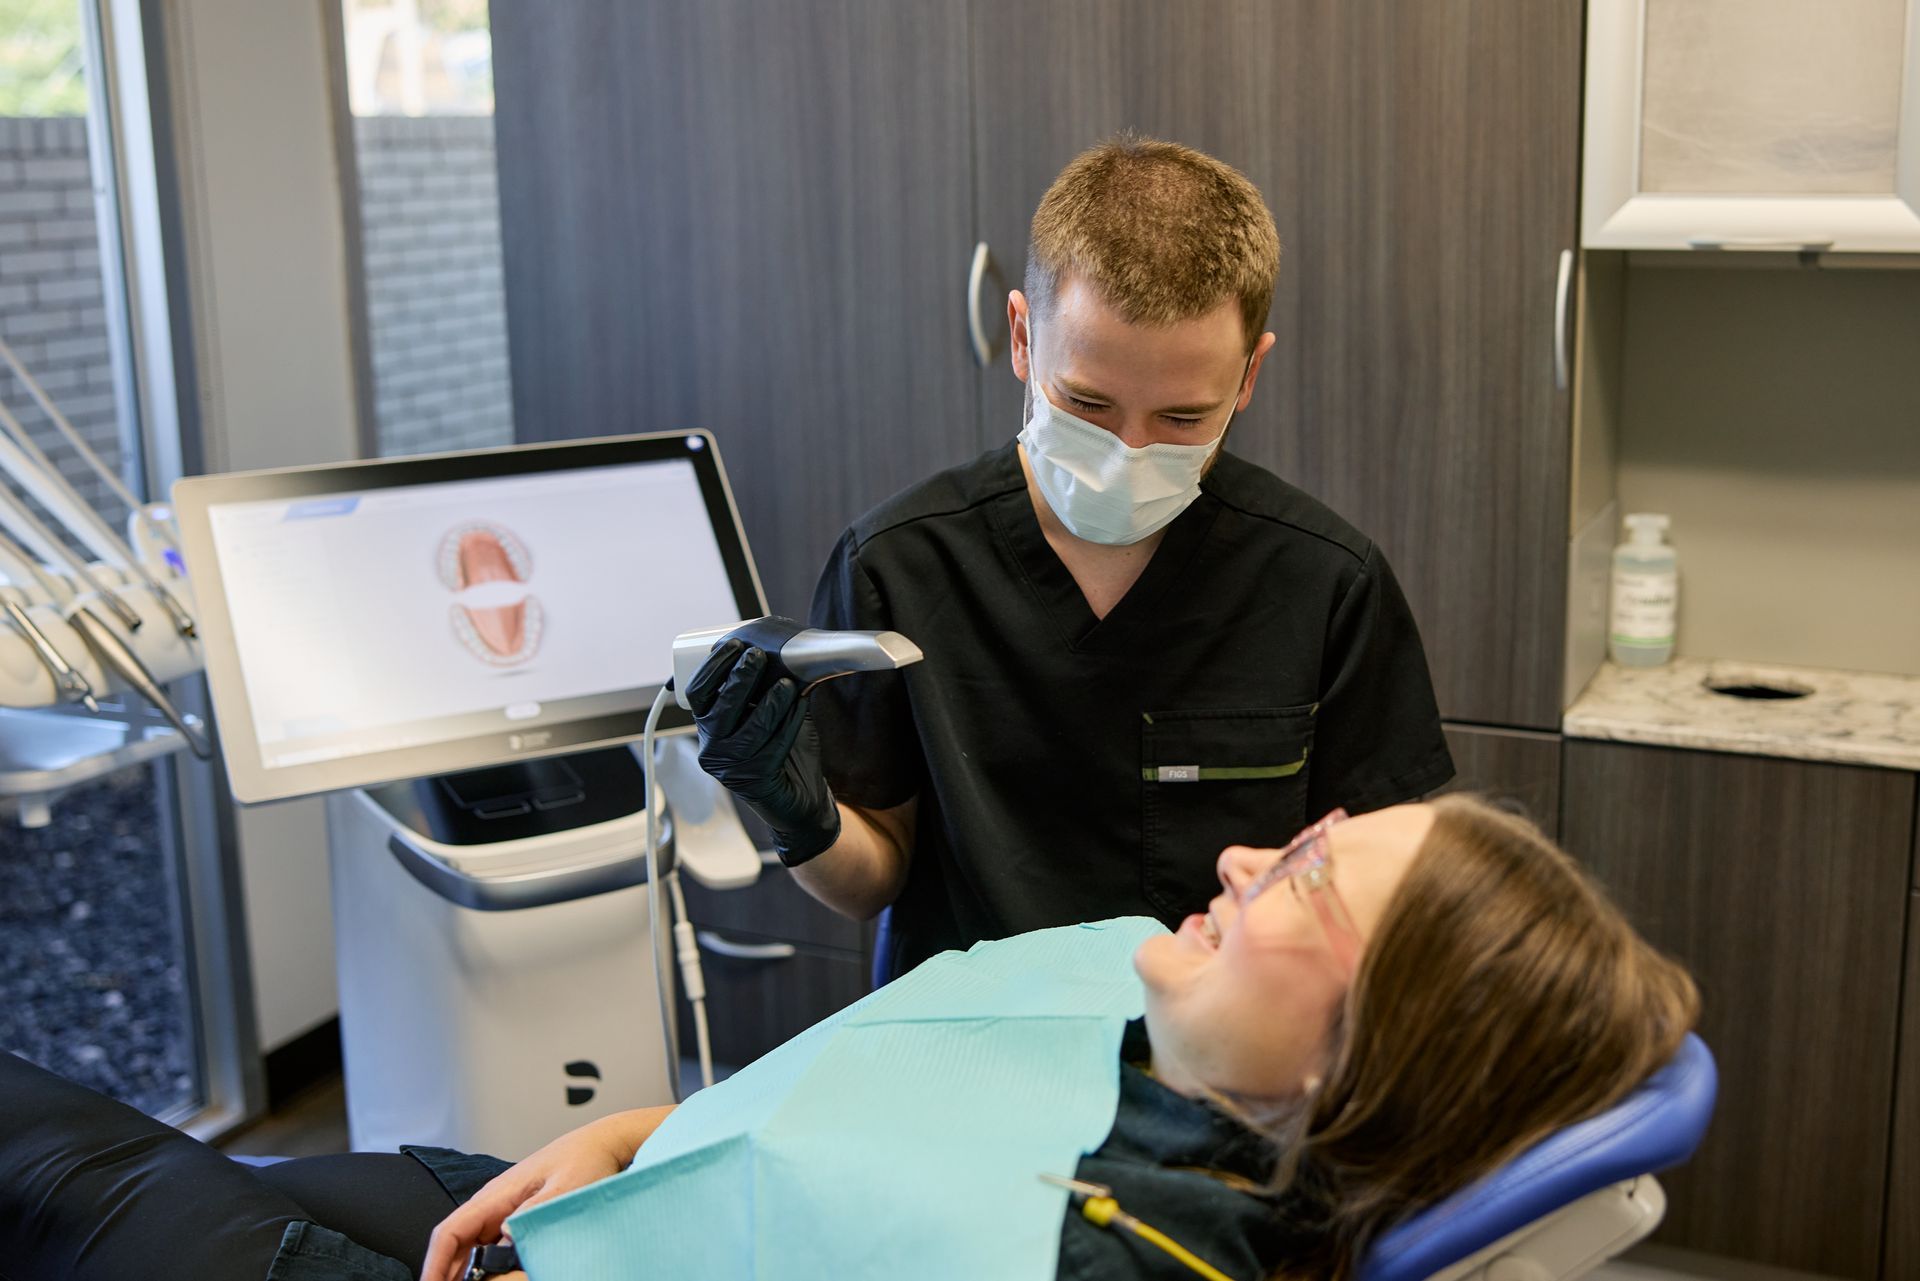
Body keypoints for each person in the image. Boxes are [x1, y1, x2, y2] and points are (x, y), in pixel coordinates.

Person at [0, 796, 1698, 1281]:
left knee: (72, 1176)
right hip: (622, 1210)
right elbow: (872, 1128)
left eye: (1307, 883)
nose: (1247, 858)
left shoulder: (1138, 1247)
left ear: (1369, 1054)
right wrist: (651, 1129)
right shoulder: (1161, 1056)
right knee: (149, 1162)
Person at [690, 135, 1456, 979]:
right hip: (962, 1044)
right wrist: (803, 819)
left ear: (1248, 376)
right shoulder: (900, 565)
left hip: (1213, 1052)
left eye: (1180, 420)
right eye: (1086, 403)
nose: (1127, 451)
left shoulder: (1324, 586)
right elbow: (874, 881)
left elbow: (1375, 895)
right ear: (1022, 335)